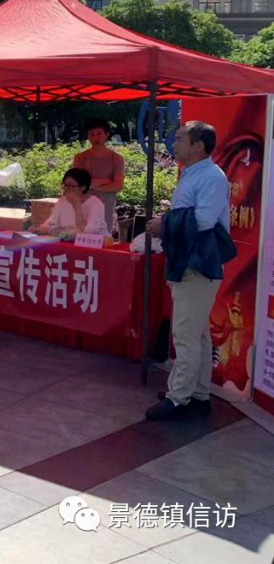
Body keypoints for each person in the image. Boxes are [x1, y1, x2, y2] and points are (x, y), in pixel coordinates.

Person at [144, 121, 233, 422]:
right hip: (189, 260)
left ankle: (178, 398)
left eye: (180, 139)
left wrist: (164, 223)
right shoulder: (194, 173)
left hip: (198, 263)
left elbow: (205, 220)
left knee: (185, 335)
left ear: (199, 146)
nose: (174, 144)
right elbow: (191, 214)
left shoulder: (211, 177)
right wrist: (167, 221)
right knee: (198, 334)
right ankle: (197, 394)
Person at [73, 118, 125, 232]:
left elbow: (118, 186)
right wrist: (106, 180)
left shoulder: (117, 159)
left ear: (106, 135)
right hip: (83, 206)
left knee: (103, 238)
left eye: (99, 134)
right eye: (92, 134)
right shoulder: (80, 158)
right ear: (88, 136)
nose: (96, 138)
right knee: (81, 237)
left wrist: (89, 184)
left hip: (106, 207)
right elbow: (76, 184)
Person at [33, 168, 109, 239]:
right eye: (65, 185)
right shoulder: (62, 201)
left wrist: (77, 206)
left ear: (83, 187)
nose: (67, 189)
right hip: (69, 241)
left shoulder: (96, 204)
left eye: (71, 186)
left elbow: (89, 232)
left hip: (95, 244)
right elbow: (53, 223)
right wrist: (41, 229)